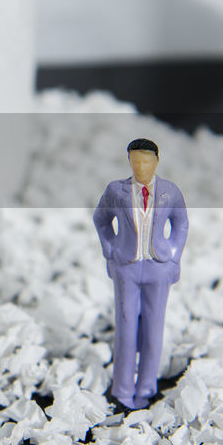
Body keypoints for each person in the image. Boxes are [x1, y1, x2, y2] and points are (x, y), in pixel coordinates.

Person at [92, 138, 189, 410]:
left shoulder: (170, 191)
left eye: (146, 160)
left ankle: (147, 388)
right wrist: (110, 248)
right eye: (135, 160)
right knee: (125, 328)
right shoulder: (116, 190)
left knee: (153, 330)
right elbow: (101, 220)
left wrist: (174, 255)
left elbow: (181, 223)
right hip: (127, 267)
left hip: (158, 267)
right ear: (129, 161)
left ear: (157, 161)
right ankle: (122, 389)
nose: (140, 166)